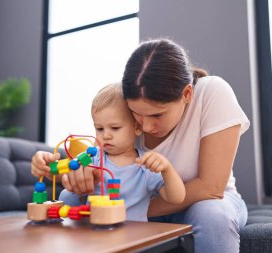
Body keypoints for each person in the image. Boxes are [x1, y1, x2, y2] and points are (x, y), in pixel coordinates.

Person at [56, 39, 250, 253]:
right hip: (139, 200)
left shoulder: (212, 93)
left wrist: (127, 209)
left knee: (212, 214)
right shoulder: (124, 106)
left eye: (158, 114)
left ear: (187, 94)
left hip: (205, 202)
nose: (146, 126)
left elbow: (210, 188)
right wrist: (76, 175)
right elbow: (98, 156)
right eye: (136, 114)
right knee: (68, 197)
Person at [31, 83, 186, 222]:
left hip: (134, 236)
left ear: (137, 128)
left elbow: (176, 197)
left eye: (115, 128)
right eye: (99, 128)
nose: (105, 135)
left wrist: (167, 169)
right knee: (66, 194)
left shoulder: (145, 164)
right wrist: (46, 165)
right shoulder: (92, 157)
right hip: (95, 233)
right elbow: (63, 175)